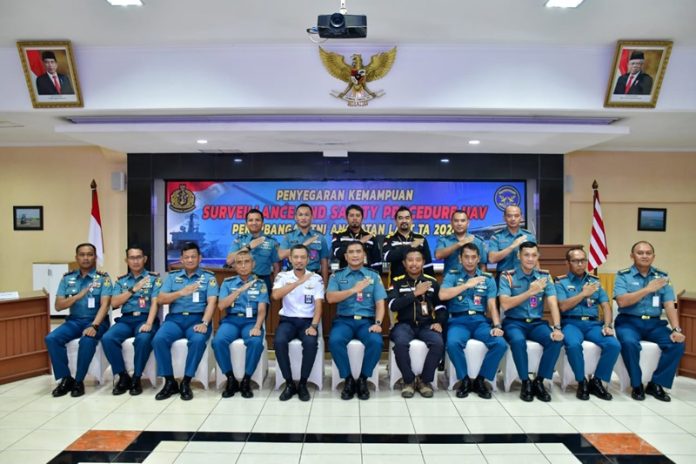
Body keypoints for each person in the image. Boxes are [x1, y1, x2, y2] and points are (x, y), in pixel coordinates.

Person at [614, 241, 685, 402]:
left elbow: (669, 305)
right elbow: (622, 302)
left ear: (653, 256)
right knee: (629, 343)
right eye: (640, 253)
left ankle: (656, 384)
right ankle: (636, 384)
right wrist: (647, 289)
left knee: (677, 344)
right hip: (629, 322)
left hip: (654, 324)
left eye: (648, 253)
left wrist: (676, 329)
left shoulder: (662, 277)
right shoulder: (623, 275)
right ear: (632, 256)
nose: (644, 256)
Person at [439, 243, 506, 399]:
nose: (470, 261)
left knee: (500, 343)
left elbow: (492, 305)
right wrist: (466, 285)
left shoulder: (487, 279)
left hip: (480, 321)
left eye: (473, 257)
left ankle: (481, 380)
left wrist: (497, 325)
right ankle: (465, 380)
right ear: (460, 259)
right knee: (452, 343)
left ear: (478, 259)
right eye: (466, 257)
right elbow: (442, 295)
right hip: (458, 321)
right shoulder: (452, 275)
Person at [498, 242, 563, 402]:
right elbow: (505, 304)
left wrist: (557, 328)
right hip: (514, 322)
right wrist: (530, 292)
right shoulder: (508, 276)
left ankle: (539, 381)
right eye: (526, 255)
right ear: (519, 256)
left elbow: (553, 303)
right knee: (518, 341)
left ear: (538, 257)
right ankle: (525, 381)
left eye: (534, 255)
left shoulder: (544, 277)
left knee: (555, 341)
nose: (530, 259)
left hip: (536, 323)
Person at [152, 242, 218, 401]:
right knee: (158, 339)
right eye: (186, 257)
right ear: (181, 259)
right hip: (175, 319)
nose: (190, 260)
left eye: (193, 257)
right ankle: (169, 381)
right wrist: (181, 292)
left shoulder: (208, 278)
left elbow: (212, 303)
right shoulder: (172, 277)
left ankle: (186, 382)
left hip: (197, 319)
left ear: (200, 258)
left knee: (198, 340)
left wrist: (205, 323)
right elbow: (161, 299)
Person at [45, 243, 112, 397]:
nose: (86, 258)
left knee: (87, 340)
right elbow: (58, 306)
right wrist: (77, 297)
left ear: (95, 257)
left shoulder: (103, 278)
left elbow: (105, 305)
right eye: (82, 255)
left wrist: (94, 326)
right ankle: (65, 378)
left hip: (96, 321)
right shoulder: (67, 279)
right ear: (76, 257)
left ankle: (79, 381)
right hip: (74, 321)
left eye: (89, 254)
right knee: (52, 338)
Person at [555, 247, 619, 401]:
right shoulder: (561, 282)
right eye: (575, 261)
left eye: (583, 260)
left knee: (613, 345)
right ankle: (581, 381)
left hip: (593, 324)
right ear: (567, 263)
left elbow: (606, 306)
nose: (580, 264)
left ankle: (597, 381)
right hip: (571, 323)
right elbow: (563, 306)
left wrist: (608, 326)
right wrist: (583, 294)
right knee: (573, 345)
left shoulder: (594, 281)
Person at [327, 242, 387, 400]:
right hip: (344, 321)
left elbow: (380, 304)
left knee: (376, 342)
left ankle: (362, 379)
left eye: (358, 251)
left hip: (366, 322)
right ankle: (347, 379)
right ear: (346, 256)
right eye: (351, 252)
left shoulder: (373, 276)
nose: (355, 255)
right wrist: (353, 290)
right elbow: (330, 298)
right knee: (335, 341)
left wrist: (378, 323)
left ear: (364, 255)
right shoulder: (337, 276)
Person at [103, 245, 162, 396]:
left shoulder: (154, 279)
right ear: (126, 260)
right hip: (126, 320)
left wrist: (149, 323)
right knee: (108, 338)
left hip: (145, 318)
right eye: (132, 258)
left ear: (145, 259)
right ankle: (123, 376)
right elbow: (114, 303)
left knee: (143, 339)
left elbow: (155, 303)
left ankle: (136, 377)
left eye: (138, 257)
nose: (135, 261)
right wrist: (133, 289)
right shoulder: (121, 281)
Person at [388, 248, 445, 398]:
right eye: (410, 260)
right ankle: (408, 380)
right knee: (400, 344)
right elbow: (393, 305)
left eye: (418, 260)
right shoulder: (397, 281)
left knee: (438, 342)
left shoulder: (432, 282)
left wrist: (439, 322)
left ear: (423, 262)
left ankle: (424, 381)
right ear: (404, 263)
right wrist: (415, 293)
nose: (414, 264)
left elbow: (440, 307)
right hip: (404, 325)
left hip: (426, 324)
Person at [213, 250, 268, 398]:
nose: (243, 266)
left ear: (253, 264)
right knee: (218, 342)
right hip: (231, 320)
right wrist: (238, 291)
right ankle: (230, 379)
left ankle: (246, 380)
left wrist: (257, 326)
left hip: (251, 321)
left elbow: (262, 309)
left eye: (247, 262)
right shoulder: (228, 283)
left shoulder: (260, 284)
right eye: (239, 262)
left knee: (255, 342)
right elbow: (221, 306)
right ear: (235, 266)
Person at [272, 244, 324, 401]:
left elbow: (319, 305)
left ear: (308, 259)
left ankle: (302, 383)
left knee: (310, 343)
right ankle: (289, 383)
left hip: (308, 321)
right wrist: (297, 283)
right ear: (290, 259)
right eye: (296, 257)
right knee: (279, 341)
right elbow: (276, 296)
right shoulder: (282, 276)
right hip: (288, 320)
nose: (299, 260)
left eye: (303, 257)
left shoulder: (316, 278)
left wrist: (314, 326)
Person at [226, 208, 279, 293]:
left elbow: (276, 267)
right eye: (250, 220)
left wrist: (276, 286)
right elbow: (229, 261)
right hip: (243, 281)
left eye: (257, 220)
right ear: (246, 223)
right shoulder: (240, 240)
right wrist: (248, 247)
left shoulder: (271, 241)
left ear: (262, 223)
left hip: (264, 282)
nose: (254, 223)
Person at [279, 203, 330, 286]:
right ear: (296, 217)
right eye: (300, 215)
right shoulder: (289, 236)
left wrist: (325, 285)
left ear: (312, 217)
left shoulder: (319, 237)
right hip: (293, 278)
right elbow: (281, 255)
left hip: (314, 278)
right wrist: (304, 245)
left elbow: (324, 263)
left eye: (306, 215)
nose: (303, 218)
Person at [383, 206, 433, 281]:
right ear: (395, 221)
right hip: (396, 283)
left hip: (418, 283)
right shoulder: (389, 238)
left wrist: (431, 284)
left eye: (407, 218)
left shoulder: (420, 238)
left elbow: (428, 264)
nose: (404, 221)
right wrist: (411, 246)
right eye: (400, 218)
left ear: (411, 220)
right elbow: (387, 257)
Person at [331, 204, 382, 272]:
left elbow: (377, 263)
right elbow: (338, 253)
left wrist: (375, 277)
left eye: (358, 215)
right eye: (351, 215)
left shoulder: (370, 237)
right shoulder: (338, 235)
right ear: (346, 218)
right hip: (345, 275)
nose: (355, 218)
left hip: (366, 275)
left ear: (362, 218)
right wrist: (360, 242)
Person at [435, 210, 487, 274]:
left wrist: (480, 279)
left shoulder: (477, 241)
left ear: (468, 223)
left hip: (472, 279)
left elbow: (482, 265)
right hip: (450, 279)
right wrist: (459, 244)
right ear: (451, 223)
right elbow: (438, 255)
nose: (459, 224)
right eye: (456, 221)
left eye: (462, 221)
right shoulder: (444, 240)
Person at [488, 205, 536, 273]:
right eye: (509, 216)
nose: (513, 219)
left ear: (521, 217)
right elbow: (492, 259)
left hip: (525, 276)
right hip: (503, 276)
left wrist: (539, 276)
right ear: (504, 218)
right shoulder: (497, 237)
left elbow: (535, 260)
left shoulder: (529, 236)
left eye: (516, 216)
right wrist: (512, 246)